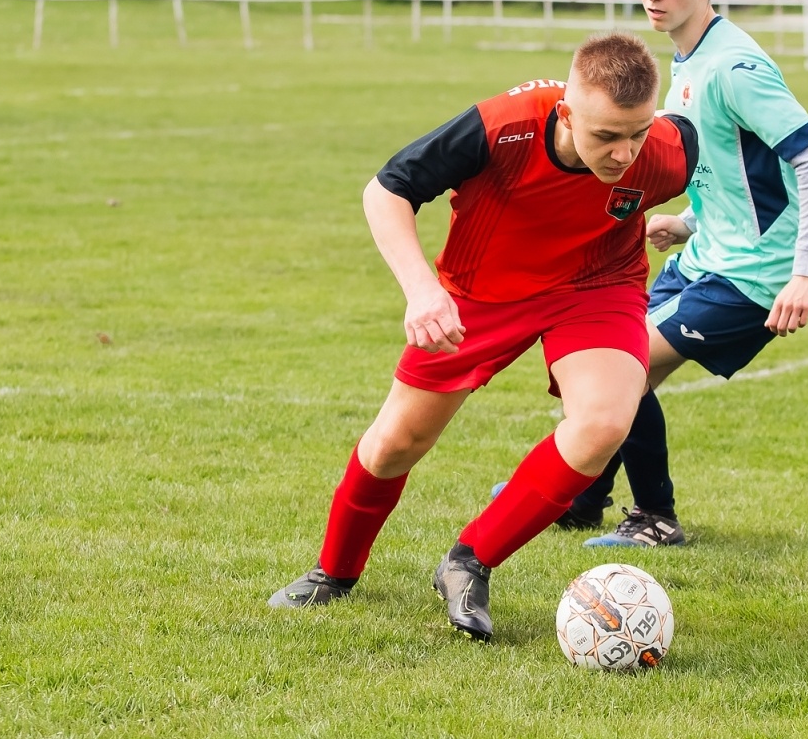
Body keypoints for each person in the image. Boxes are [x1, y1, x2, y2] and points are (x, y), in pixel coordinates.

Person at [267, 33, 697, 642]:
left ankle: (469, 560)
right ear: (566, 113)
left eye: (636, 133)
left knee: (604, 423)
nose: (625, 151)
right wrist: (422, 291)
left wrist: (689, 223)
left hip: (596, 286)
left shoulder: (667, 149)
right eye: (605, 137)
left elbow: (737, 172)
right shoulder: (502, 128)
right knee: (396, 443)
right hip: (481, 294)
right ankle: (334, 572)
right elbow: (387, 189)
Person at [566, 0, 808, 548]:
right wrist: (689, 221)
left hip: (752, 278)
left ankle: (654, 518)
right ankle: (581, 497)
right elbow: (738, 166)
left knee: (621, 370)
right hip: (707, 259)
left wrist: (806, 274)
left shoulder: (732, 68)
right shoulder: (688, 60)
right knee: (616, 368)